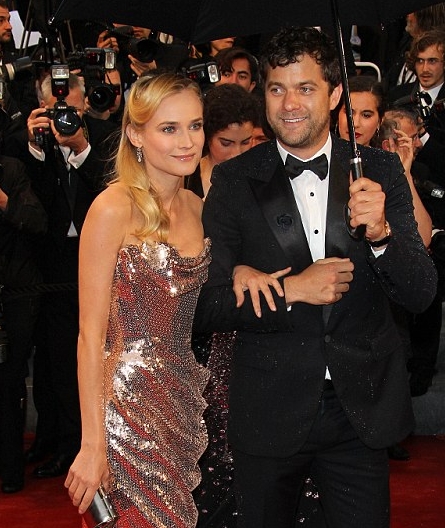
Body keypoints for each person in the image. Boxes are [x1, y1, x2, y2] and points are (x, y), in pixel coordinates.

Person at [193, 26, 437, 528]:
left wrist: (383, 235)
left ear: (335, 93)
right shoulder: (234, 180)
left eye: (305, 88)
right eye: (277, 89)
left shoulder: (380, 170)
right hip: (268, 410)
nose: (289, 105)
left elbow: (420, 293)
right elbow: (206, 306)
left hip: (359, 413)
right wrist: (292, 290)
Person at [65, 73, 210, 528]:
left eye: (195, 125)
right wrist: (92, 444)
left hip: (182, 400)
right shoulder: (112, 208)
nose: (187, 141)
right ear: (135, 135)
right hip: (123, 411)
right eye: (169, 128)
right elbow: (90, 337)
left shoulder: (199, 209)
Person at [22, 72, 118, 477]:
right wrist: (35, 146)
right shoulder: (31, 143)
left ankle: (84, 442)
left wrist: (80, 146)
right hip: (51, 264)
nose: (67, 117)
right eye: (58, 110)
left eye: (74, 109)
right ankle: (57, 440)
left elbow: (111, 187)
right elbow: (32, 204)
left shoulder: (103, 138)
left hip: (98, 255)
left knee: (92, 350)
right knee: (54, 358)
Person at [0, 152, 47, 493]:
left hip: (14, 294)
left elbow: (37, 220)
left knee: (9, 383)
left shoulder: (11, 169)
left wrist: (4, 202)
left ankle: (11, 470)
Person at [185, 83, 258, 199]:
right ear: (208, 136)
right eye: (226, 144)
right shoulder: (186, 174)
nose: (237, 153)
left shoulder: (261, 179)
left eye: (245, 142)